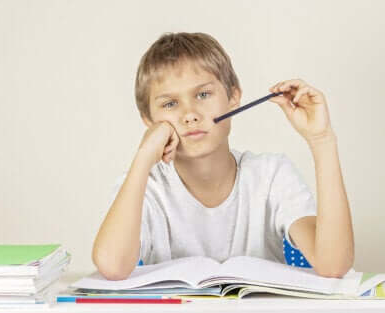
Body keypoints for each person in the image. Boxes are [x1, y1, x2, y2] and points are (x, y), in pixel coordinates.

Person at [92, 32, 354, 280]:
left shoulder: (272, 175)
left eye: (203, 95)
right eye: (170, 104)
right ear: (148, 120)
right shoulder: (143, 187)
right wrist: (143, 158)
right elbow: (113, 267)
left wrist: (321, 140)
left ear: (233, 97)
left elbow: (333, 265)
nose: (190, 114)